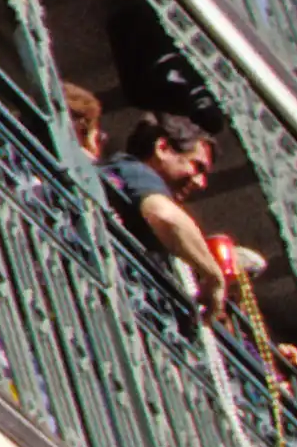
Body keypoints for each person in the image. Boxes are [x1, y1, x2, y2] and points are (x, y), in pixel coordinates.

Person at [97, 113, 234, 313]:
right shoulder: (136, 171)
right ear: (162, 148)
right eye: (197, 166)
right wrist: (214, 277)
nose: (200, 183)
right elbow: (165, 216)